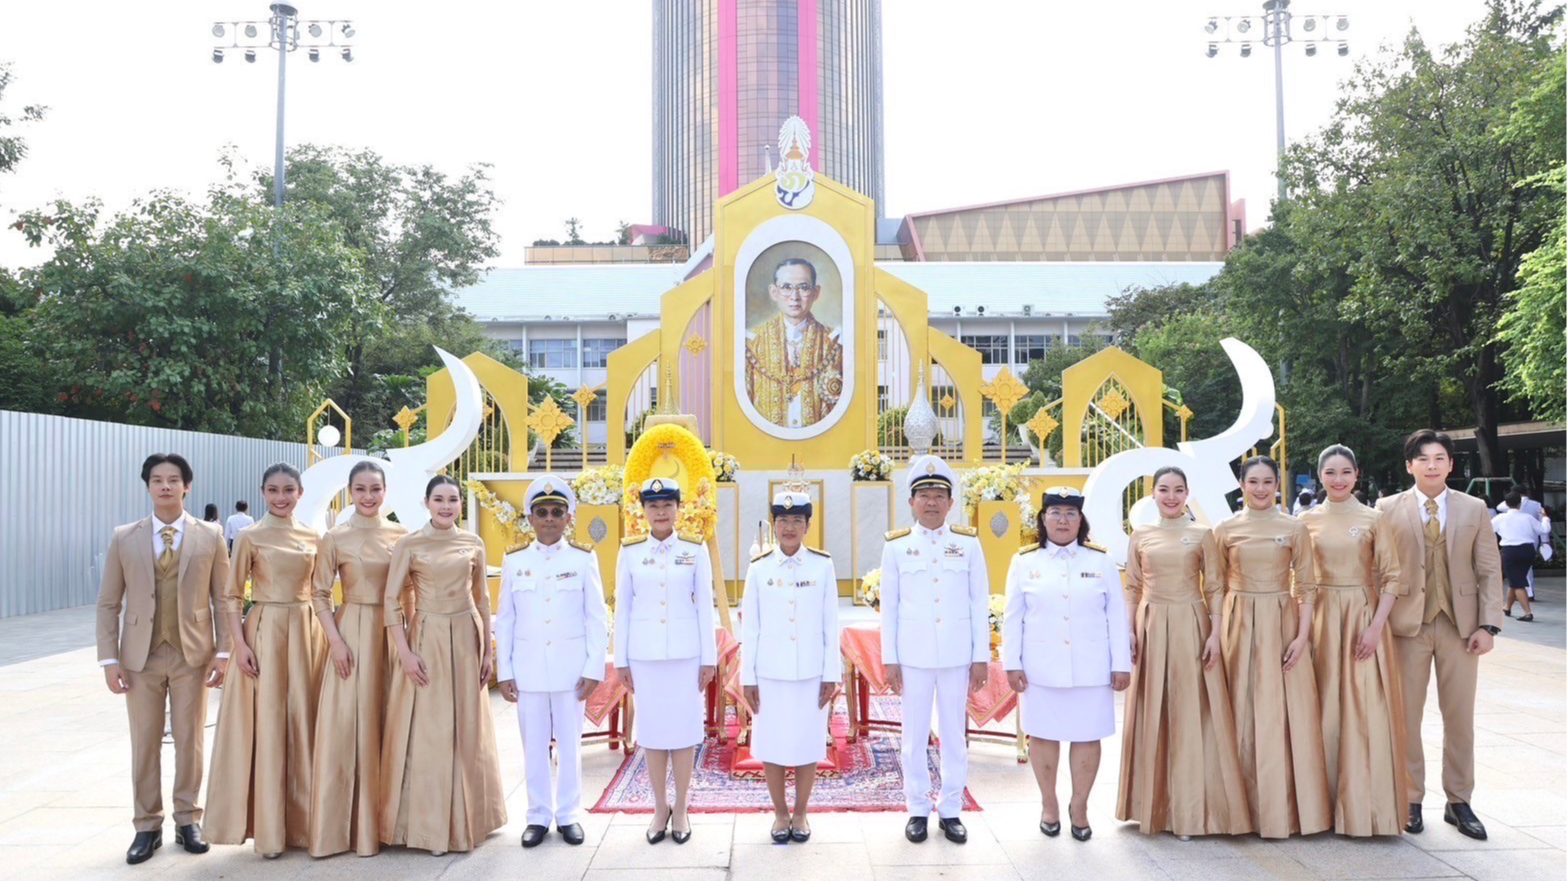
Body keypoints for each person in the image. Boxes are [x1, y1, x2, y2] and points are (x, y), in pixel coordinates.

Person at [95, 453, 231, 865]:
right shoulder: (124, 537)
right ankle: (146, 826)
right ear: (148, 486)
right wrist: (108, 659)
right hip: (140, 657)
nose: (166, 486)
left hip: (193, 654)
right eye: (158, 480)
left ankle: (188, 819)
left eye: (174, 479)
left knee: (191, 741)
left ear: (187, 485)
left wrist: (223, 651)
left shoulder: (210, 535)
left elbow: (223, 598)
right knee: (145, 742)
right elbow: (108, 603)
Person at [1376, 430, 1504, 841]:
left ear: (1451, 464)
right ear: (1409, 465)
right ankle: (1410, 798)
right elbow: (1378, 569)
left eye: (1439, 458)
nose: (1431, 465)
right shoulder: (1386, 508)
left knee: (1459, 718)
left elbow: (1489, 568)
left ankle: (1459, 800)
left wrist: (1488, 624)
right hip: (1406, 627)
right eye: (1423, 458)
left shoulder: (1474, 507)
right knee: (1406, 717)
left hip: (1460, 627)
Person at [1116, 466, 1252, 838]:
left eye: (1178, 490)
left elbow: (1216, 588)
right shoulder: (1141, 534)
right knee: (1153, 710)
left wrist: (1215, 634)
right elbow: (1132, 586)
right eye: (1164, 489)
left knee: (1191, 714)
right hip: (1150, 625)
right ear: (1153, 494)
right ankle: (1152, 806)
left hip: (1192, 624)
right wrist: (1129, 629)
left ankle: (1191, 811)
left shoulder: (1201, 534)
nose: (1171, 496)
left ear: (1187, 493)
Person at [379, 475, 507, 855]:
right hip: (427, 637)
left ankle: (474, 820)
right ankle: (430, 828)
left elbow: (482, 599)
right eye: (439, 499)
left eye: (453, 499)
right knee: (431, 730)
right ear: (426, 502)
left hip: (466, 637)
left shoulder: (473, 542)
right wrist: (404, 652)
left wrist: (488, 652)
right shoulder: (410, 544)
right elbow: (391, 601)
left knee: (467, 726)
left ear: (460, 504)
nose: (446, 506)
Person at [206, 462, 327, 858]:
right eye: (273, 490)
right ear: (262, 493)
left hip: (307, 631)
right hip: (264, 632)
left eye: (288, 490)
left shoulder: (314, 536)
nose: (281, 497)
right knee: (270, 723)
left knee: (305, 720)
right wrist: (239, 646)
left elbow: (322, 591)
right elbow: (230, 597)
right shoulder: (249, 536)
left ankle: (307, 825)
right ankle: (270, 829)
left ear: (300, 493)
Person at [1002, 486, 1131, 842]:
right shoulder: (1024, 561)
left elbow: (1116, 616)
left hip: (1091, 668)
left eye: (1070, 513)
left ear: (1080, 520)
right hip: (1040, 669)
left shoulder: (1100, 561)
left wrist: (1121, 663)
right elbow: (1013, 617)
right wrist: (1011, 663)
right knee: (1043, 735)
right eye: (1055, 513)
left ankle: (1080, 805)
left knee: (1087, 736)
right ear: (1043, 519)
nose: (1062, 520)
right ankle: (1049, 803)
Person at [1213, 456, 1332, 839]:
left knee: (1282, 713)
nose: (1260, 488)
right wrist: (1215, 633)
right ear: (1242, 485)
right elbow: (1214, 586)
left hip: (1282, 621)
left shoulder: (1294, 527)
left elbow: (1308, 585)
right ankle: (1235, 810)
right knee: (1240, 707)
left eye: (1267, 481)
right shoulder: (1225, 529)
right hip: (1237, 622)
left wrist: (1302, 635)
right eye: (1253, 481)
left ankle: (1284, 810)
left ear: (1277, 484)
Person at [879, 454, 988, 845]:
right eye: (923, 495)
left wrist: (980, 657)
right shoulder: (896, 547)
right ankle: (917, 808)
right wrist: (889, 659)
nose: (931, 502)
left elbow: (978, 602)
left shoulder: (967, 544)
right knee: (913, 736)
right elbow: (889, 607)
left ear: (950, 501)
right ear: (911, 502)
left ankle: (952, 808)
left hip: (957, 655)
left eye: (939, 495)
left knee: (954, 735)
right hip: (913, 656)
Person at [1300, 444, 1408, 836]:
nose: (1338, 479)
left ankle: (1367, 809)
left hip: (1363, 615)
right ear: (1320, 476)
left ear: (1357, 474)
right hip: (1320, 616)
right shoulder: (1305, 521)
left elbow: (1393, 576)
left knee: (1364, 709)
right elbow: (1299, 579)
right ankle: (1320, 807)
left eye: (1345, 471)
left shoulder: (1373, 518)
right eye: (1330, 472)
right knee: (1323, 707)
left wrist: (1376, 627)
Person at [495, 475, 607, 849]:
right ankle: (538, 816)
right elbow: (506, 619)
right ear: (530, 518)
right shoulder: (515, 560)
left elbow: (596, 617)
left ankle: (569, 814)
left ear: (568, 517)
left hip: (570, 670)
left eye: (557, 512)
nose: (549, 519)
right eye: (541, 512)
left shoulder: (582, 558)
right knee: (534, 745)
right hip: (527, 669)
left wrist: (593, 668)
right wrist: (505, 671)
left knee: (570, 746)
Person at [306, 461, 407, 857]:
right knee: (348, 725)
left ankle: (393, 824)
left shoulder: (401, 535)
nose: (368, 496)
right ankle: (346, 828)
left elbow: (409, 590)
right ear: (350, 492)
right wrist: (334, 640)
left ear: (385, 492)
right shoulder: (335, 537)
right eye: (361, 489)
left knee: (393, 721)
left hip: (392, 634)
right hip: (350, 632)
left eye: (375, 489)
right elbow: (318, 593)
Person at [614, 477, 717, 845]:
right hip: (645, 656)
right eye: (653, 506)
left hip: (687, 656)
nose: (660, 512)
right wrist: (621, 659)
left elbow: (705, 606)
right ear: (643, 511)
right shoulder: (630, 551)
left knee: (685, 733)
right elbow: (623, 608)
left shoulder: (694, 549)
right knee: (653, 733)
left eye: (667, 505)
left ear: (677, 509)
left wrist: (709, 658)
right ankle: (660, 807)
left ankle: (682, 806)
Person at [740, 490, 841, 844]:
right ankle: (780, 813)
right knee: (771, 745)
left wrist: (831, 674)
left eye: (797, 520)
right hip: (769, 674)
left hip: (811, 674)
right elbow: (750, 628)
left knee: (807, 744)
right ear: (774, 524)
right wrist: (747, 677)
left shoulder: (822, 565)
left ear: (808, 525)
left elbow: (830, 623)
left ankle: (801, 812)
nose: (789, 527)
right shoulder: (759, 568)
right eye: (783, 520)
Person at [743, 257, 845, 429]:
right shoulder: (752, 343)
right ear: (774, 292)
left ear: (816, 292)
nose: (795, 297)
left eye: (803, 287)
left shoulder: (835, 343)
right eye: (786, 287)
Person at [1493, 491, 1548, 622]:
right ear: (1520, 504)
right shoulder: (1527, 517)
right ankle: (1507, 607)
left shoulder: (1500, 518)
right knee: (1516, 580)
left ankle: (1528, 613)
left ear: (1506, 504)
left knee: (1517, 582)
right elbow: (1544, 530)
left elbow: (1487, 530)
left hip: (1510, 551)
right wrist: (1545, 517)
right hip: (1527, 550)